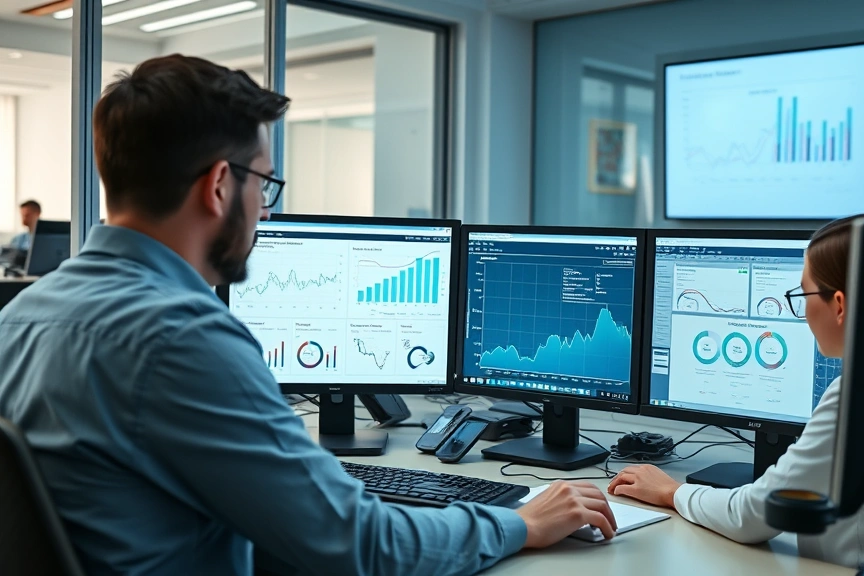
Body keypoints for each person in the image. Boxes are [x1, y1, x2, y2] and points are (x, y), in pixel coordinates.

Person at [0, 54, 616, 576]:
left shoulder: (22, 316)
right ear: (219, 186)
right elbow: (356, 546)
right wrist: (516, 523)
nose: (265, 213)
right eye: (264, 186)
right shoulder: (183, 337)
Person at [607, 213, 864, 568]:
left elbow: (752, 516)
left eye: (802, 296)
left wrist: (671, 492)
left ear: (839, 305)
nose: (801, 314)